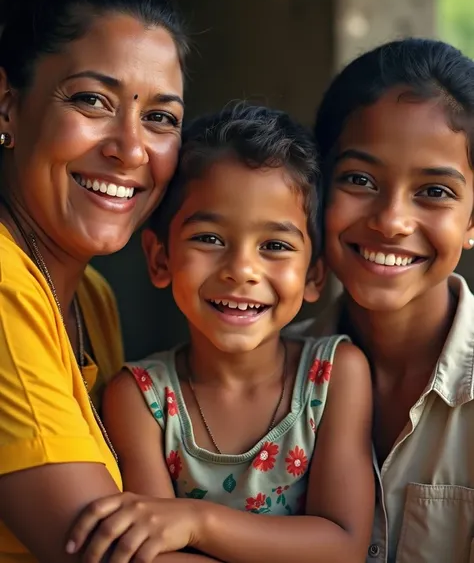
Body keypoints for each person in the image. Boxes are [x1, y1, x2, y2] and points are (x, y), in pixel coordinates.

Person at [66, 103, 374, 563]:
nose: (241, 271)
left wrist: (195, 521)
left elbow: (343, 546)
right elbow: (147, 550)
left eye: (274, 246)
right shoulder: (142, 399)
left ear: (314, 275)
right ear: (160, 259)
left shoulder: (333, 377)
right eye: (209, 238)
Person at [0, 0, 213, 563]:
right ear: (7, 102)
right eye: (92, 100)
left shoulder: (90, 296)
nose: (130, 149)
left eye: (161, 118)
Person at [300, 38, 474, 563]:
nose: (391, 220)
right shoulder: (264, 371)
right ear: (316, 191)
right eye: (359, 179)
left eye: (435, 192)